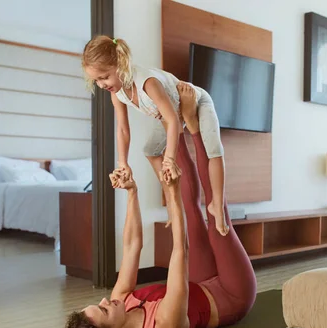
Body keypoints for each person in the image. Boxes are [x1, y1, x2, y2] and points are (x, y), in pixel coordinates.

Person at [63, 105, 257, 328]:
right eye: (105, 311)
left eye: (99, 305)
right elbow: (180, 250)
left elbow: (132, 245)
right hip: (232, 295)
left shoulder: (120, 300)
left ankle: (177, 122)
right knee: (215, 213)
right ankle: (196, 130)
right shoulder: (163, 326)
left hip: (200, 282)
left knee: (190, 208)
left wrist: (132, 192)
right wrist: (171, 192)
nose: (104, 300)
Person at [81, 34, 229, 236]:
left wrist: (169, 158)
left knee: (214, 150)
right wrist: (123, 162)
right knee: (150, 150)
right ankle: (171, 201)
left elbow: (173, 121)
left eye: (104, 77)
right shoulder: (116, 93)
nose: (101, 84)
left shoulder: (147, 83)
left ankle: (217, 206)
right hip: (173, 113)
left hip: (195, 99)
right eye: (96, 80)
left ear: (120, 64)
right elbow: (123, 128)